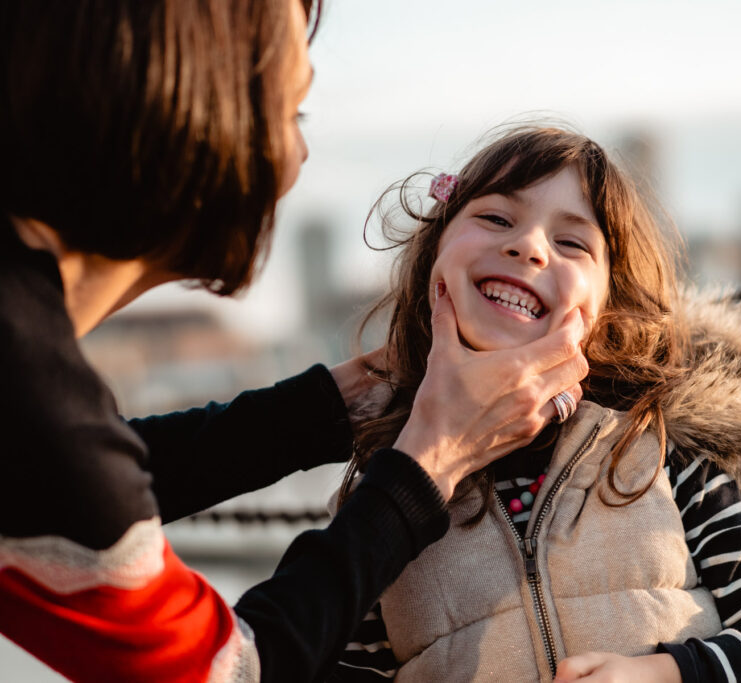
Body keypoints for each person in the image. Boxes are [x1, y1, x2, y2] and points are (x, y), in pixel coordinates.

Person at [0, 3, 587, 682]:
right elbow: (229, 670)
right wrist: (435, 455)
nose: (298, 159)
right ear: (183, 107)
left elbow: (68, 486)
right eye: (292, 113)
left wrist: (351, 401)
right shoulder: (31, 398)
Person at [329, 125, 741, 682]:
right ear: (435, 255)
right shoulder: (381, 501)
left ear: (610, 303)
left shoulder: (663, 456)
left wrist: (663, 675)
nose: (529, 246)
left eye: (572, 243)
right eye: (496, 219)